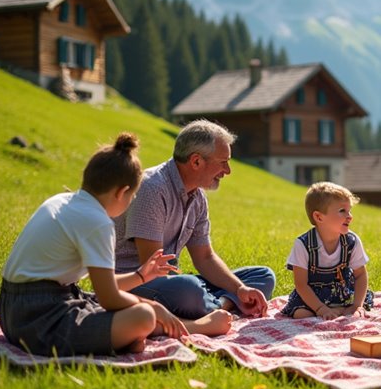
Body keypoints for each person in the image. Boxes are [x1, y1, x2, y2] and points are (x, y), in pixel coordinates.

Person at [0, 133, 231, 357]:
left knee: (127, 311)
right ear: (123, 192)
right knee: (143, 315)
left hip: (13, 309)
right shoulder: (97, 222)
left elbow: (104, 286)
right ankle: (196, 327)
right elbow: (109, 297)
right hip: (40, 321)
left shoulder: (62, 201)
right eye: (133, 198)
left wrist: (141, 276)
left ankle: (124, 337)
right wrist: (156, 308)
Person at [114, 120, 274, 321]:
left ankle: (220, 306)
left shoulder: (197, 197)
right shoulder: (152, 189)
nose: (228, 171)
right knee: (188, 288)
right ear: (196, 161)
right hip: (135, 282)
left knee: (262, 275)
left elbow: (205, 257)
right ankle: (216, 306)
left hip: (170, 281)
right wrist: (188, 284)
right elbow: (153, 265)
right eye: (223, 162)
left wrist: (240, 289)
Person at [282, 182, 374, 319]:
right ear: (319, 217)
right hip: (313, 296)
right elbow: (301, 284)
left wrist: (357, 306)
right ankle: (334, 310)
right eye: (342, 211)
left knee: (355, 310)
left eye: (349, 210)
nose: (350, 216)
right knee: (301, 314)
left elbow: (360, 275)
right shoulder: (303, 244)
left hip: (343, 292)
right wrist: (320, 309)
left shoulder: (351, 242)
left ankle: (341, 308)